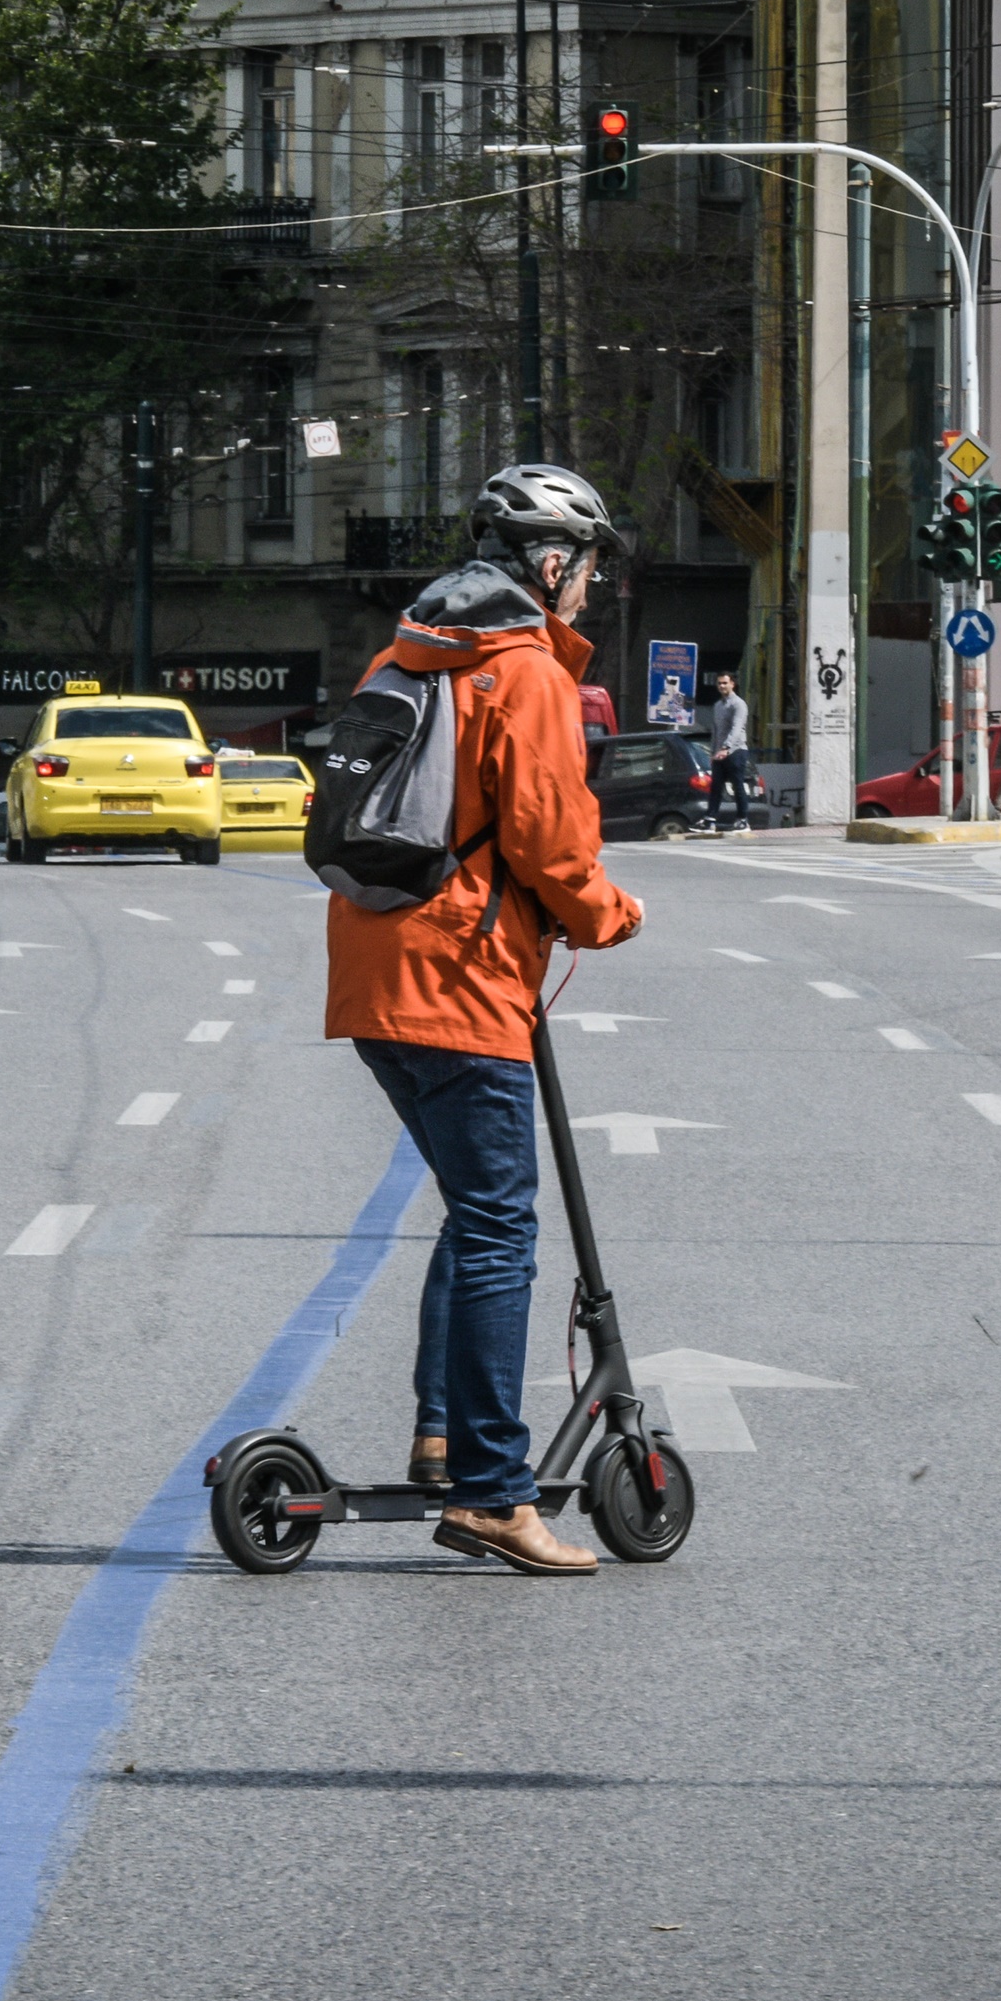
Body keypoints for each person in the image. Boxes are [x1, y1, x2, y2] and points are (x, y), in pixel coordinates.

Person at [326, 465, 646, 1577]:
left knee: (477, 1208)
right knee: (504, 1224)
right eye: (587, 567)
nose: (591, 591)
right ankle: (493, 1491)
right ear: (548, 564)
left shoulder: (403, 650)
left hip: (375, 970)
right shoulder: (523, 673)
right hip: (460, 979)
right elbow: (552, 843)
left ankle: (439, 1433)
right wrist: (608, 913)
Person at [696, 668, 755, 826]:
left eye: (725, 683)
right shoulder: (717, 706)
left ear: (732, 684)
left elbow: (737, 728)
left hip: (736, 751)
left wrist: (726, 748)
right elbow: (715, 730)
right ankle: (710, 819)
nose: (722, 686)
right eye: (719, 683)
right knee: (716, 787)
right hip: (719, 753)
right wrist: (714, 751)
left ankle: (742, 819)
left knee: (737, 786)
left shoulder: (739, 704)